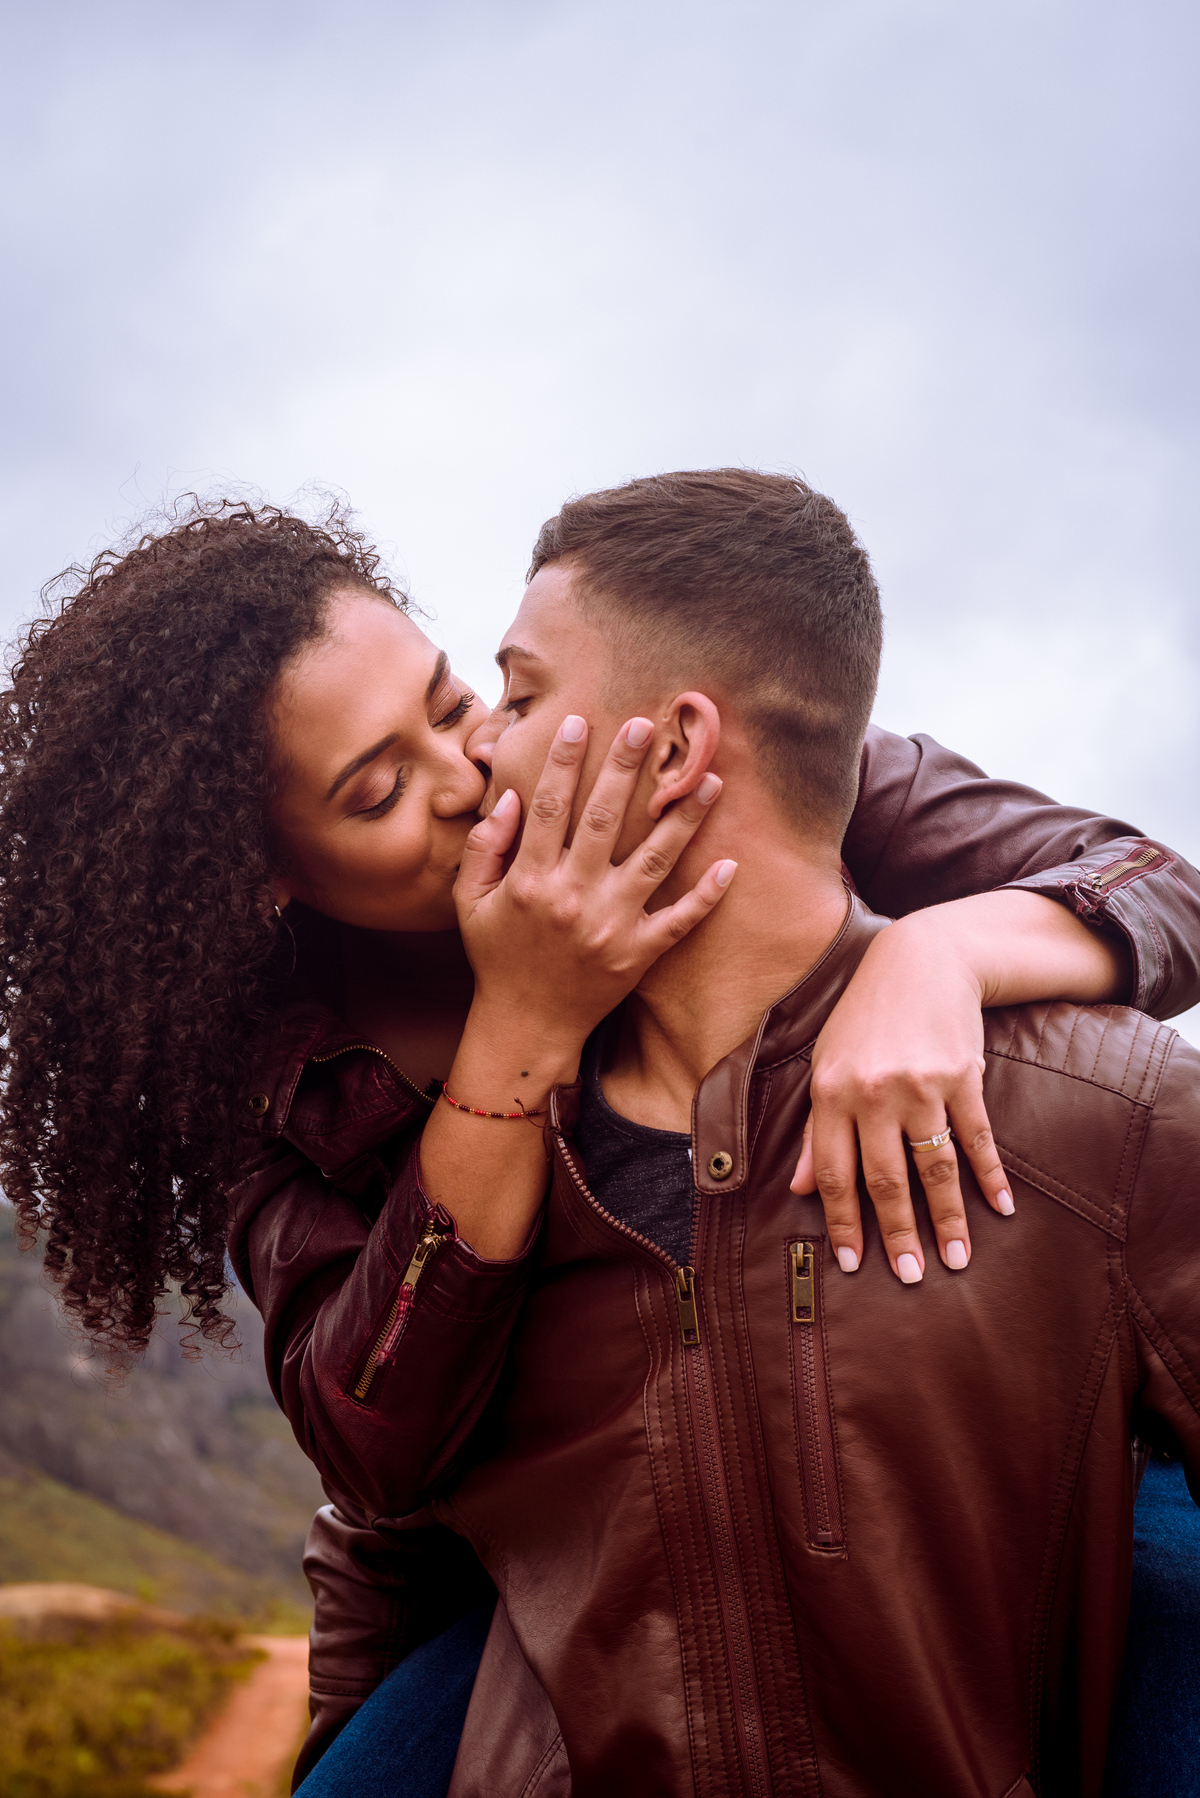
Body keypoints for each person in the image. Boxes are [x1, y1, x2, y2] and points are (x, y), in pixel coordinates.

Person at [0, 494, 1194, 1790]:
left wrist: (942, 948)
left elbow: (1149, 883)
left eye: (454, 706)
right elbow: (375, 1443)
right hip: (539, 1551)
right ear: (267, 873)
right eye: (382, 789)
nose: (466, 782)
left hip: (940, 1421)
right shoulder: (272, 1072)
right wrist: (519, 1029)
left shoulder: (692, 774)